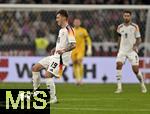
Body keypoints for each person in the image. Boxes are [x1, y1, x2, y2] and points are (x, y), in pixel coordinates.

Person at [31, 9, 76, 103]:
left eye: (58, 17)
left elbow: (73, 45)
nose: (56, 20)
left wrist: (63, 50)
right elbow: (62, 44)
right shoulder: (61, 30)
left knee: (47, 75)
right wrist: (55, 48)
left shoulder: (69, 30)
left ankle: (53, 98)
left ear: (64, 18)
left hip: (61, 59)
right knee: (35, 68)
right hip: (55, 56)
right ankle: (36, 92)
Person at [115, 10, 147, 93]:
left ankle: (142, 84)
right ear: (123, 16)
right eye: (125, 16)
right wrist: (118, 49)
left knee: (135, 70)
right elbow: (119, 38)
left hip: (131, 51)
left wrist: (136, 45)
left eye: (128, 16)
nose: (126, 17)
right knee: (118, 65)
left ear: (130, 17)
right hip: (122, 50)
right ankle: (119, 88)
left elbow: (139, 39)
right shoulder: (120, 27)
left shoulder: (135, 26)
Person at [71, 18, 92, 85]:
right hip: (73, 50)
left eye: (78, 22)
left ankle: (81, 79)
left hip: (80, 49)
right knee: (75, 64)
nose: (77, 23)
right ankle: (77, 80)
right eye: (75, 22)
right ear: (73, 23)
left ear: (80, 23)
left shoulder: (83, 30)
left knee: (79, 61)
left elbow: (88, 39)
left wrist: (89, 48)